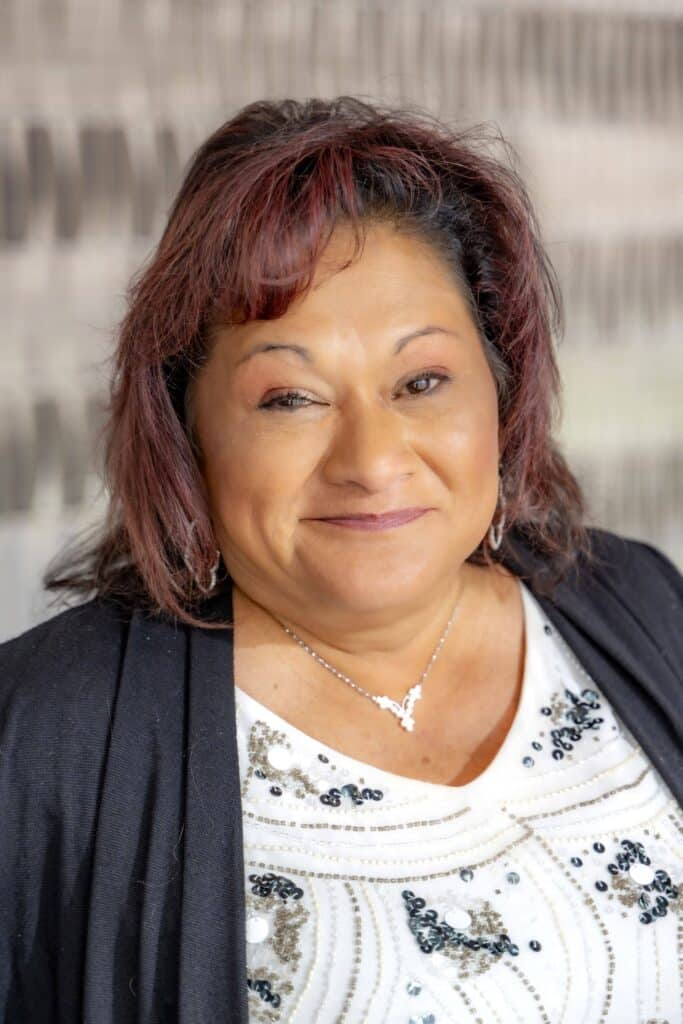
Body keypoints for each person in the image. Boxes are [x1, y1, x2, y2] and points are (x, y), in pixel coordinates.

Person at [0, 97, 681, 1024]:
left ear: (502, 389)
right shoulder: (47, 740)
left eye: (421, 381)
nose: (371, 460)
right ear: (187, 429)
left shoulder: (639, 601)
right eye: (290, 397)